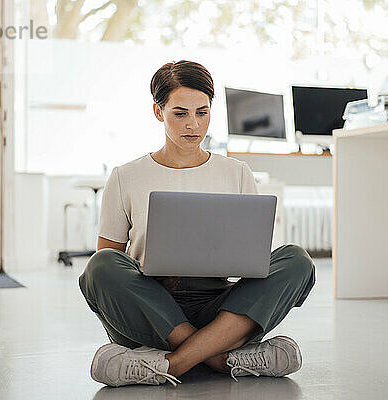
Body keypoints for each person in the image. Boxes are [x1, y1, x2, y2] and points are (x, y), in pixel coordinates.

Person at [78, 60, 316, 388]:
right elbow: (108, 263)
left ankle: (173, 363)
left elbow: (254, 259)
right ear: (158, 112)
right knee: (100, 266)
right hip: (152, 307)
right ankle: (223, 359)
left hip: (219, 308)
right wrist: (152, 275)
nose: (193, 125)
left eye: (201, 112)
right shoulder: (126, 177)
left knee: (296, 259)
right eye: (180, 113)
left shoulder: (237, 173)